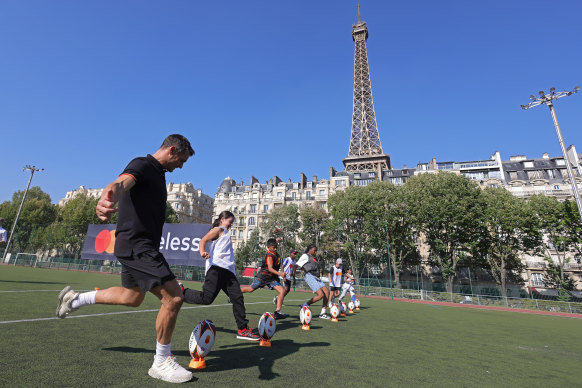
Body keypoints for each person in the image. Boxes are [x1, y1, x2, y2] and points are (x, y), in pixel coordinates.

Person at [56, 134, 195, 384]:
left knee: (132, 297)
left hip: (139, 244)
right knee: (174, 297)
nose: (181, 166)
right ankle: (161, 361)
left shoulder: (159, 173)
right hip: (136, 244)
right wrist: (108, 196)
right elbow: (121, 183)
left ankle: (75, 299)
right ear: (172, 150)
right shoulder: (143, 164)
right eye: (181, 160)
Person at [181, 210, 260, 340]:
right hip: (217, 269)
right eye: (230, 222)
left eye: (232, 223)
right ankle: (182, 292)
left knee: (237, 297)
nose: (231, 225)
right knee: (207, 299)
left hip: (228, 272)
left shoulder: (226, 231)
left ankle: (243, 330)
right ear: (223, 219)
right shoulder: (219, 229)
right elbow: (203, 241)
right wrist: (202, 252)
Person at [241, 238, 289, 319]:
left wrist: (276, 239)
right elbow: (270, 268)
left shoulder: (274, 251)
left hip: (272, 279)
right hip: (262, 277)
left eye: (276, 247)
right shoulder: (269, 256)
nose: (275, 249)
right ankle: (233, 294)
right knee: (250, 289)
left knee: (282, 290)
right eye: (274, 247)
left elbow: (273, 243)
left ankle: (278, 312)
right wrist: (280, 273)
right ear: (268, 248)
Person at [296, 244, 330, 319]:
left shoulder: (313, 257)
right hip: (309, 276)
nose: (315, 252)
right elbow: (297, 264)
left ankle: (323, 313)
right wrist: (292, 274)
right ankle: (305, 305)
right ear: (310, 249)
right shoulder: (305, 255)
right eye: (314, 250)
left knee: (327, 291)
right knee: (320, 295)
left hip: (316, 277)